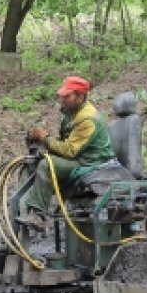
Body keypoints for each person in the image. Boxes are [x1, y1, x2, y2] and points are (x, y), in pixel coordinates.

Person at [18, 75, 116, 230]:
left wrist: (45, 138)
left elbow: (69, 150)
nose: (62, 99)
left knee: (47, 165)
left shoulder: (88, 120)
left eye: (67, 96)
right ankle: (25, 208)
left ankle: (39, 216)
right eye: (62, 95)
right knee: (34, 163)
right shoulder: (73, 114)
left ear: (80, 97)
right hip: (80, 158)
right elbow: (66, 142)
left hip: (91, 163)